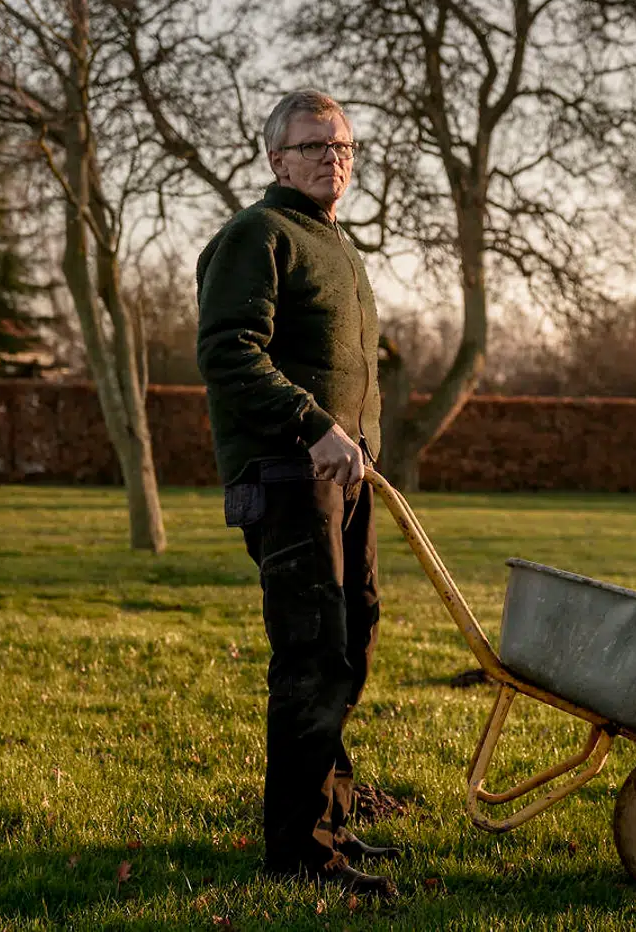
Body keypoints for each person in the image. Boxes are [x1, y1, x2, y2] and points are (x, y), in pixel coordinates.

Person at [195, 90, 399, 899]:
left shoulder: (337, 246)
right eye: (314, 146)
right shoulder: (258, 235)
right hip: (286, 477)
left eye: (343, 146)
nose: (332, 158)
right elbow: (228, 352)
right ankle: (299, 857)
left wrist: (362, 450)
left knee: (354, 639)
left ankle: (333, 823)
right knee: (312, 652)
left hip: (346, 481)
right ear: (276, 158)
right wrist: (313, 425)